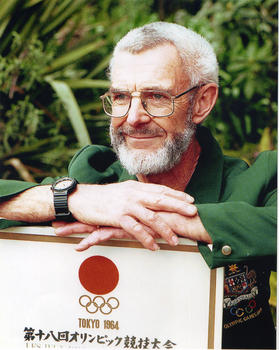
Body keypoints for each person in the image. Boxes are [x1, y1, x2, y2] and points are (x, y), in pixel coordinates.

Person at [0, 22, 276, 349]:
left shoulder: (256, 182)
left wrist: (161, 219)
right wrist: (68, 200)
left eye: (156, 97)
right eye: (120, 97)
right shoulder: (97, 183)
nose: (132, 118)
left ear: (202, 102)